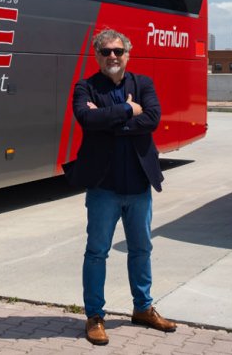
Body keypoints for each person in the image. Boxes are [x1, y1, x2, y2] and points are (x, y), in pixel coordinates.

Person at [66, 28, 177, 346]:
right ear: (96, 55)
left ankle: (143, 308)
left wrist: (109, 121)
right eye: (105, 52)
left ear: (127, 54)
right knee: (97, 252)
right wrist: (128, 110)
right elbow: (86, 120)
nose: (112, 56)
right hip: (103, 187)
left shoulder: (143, 84)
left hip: (139, 185)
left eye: (118, 51)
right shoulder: (85, 87)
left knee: (141, 249)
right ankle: (94, 316)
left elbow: (152, 118)